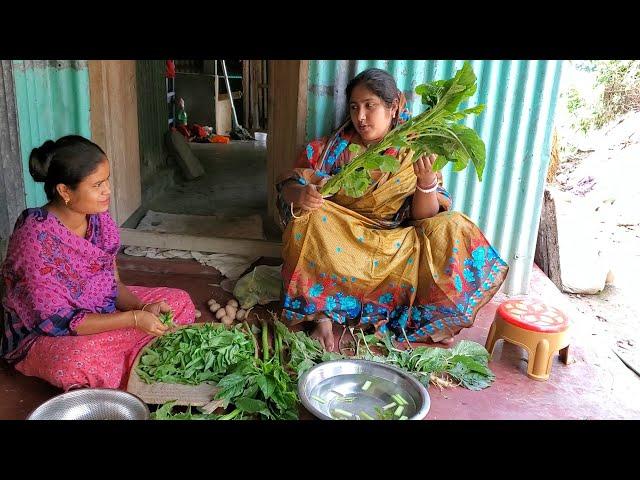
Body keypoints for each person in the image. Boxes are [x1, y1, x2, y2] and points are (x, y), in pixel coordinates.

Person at [276, 68, 509, 351]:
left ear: (394, 105)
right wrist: (302, 194)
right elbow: (289, 183)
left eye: (370, 106)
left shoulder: (416, 149)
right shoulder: (334, 150)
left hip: (396, 251)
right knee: (307, 219)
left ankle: (432, 316)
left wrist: (426, 183)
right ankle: (321, 314)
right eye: (354, 107)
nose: (360, 117)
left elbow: (426, 220)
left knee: (453, 225)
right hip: (343, 244)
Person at [0, 135, 196, 390]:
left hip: (100, 313)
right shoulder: (35, 238)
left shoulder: (98, 221)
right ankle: (128, 352)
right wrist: (133, 320)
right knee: (76, 362)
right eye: (97, 185)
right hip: (44, 334)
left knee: (178, 301)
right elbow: (57, 320)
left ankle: (124, 355)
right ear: (64, 191)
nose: (108, 191)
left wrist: (143, 307)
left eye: (107, 181)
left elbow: (112, 285)